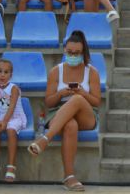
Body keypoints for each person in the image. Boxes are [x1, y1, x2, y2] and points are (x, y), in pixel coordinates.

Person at [28, 30, 100, 192]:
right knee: (70, 125)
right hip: (58, 113)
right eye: (70, 52)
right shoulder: (56, 71)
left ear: (83, 53)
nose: (73, 55)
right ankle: (69, 177)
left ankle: (45, 139)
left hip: (86, 115)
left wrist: (82, 93)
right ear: (65, 51)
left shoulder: (92, 72)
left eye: (77, 53)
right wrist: (61, 93)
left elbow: (97, 102)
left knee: (78, 99)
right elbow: (49, 102)